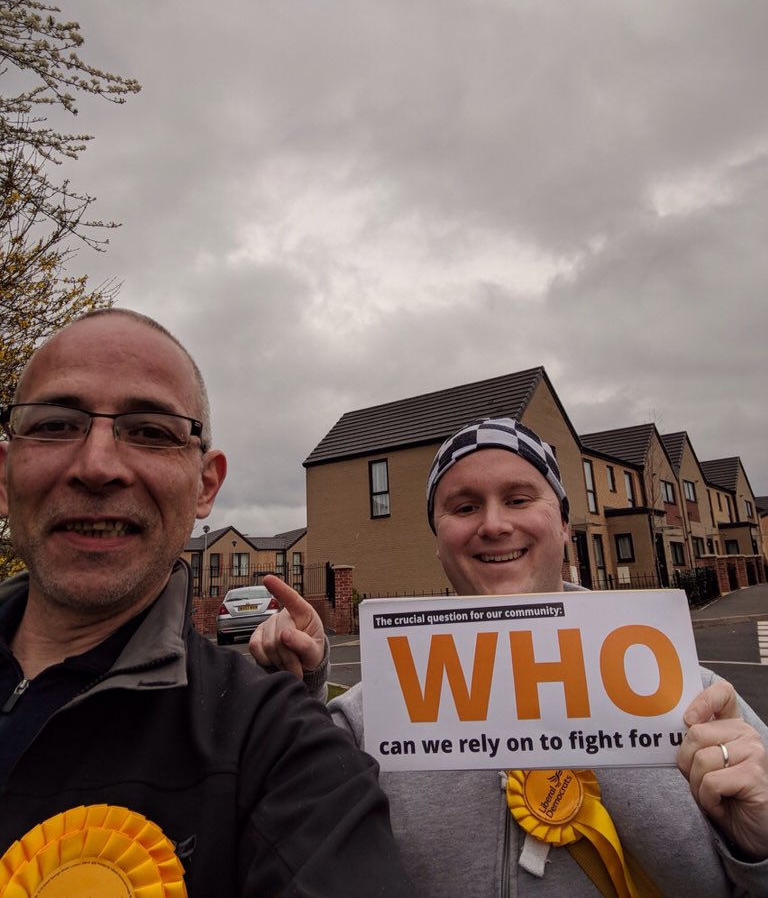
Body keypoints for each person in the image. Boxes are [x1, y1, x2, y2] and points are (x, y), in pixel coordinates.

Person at [252, 416, 768, 898]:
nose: (494, 525)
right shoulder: (374, 715)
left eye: (519, 499)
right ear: (438, 541)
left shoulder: (701, 704)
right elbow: (280, 841)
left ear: (565, 525)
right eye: (464, 507)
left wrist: (759, 846)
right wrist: (302, 688)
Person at [0, 309, 415, 897]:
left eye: (149, 431)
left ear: (206, 486)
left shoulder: (278, 748)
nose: (96, 466)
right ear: (4, 473)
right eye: (55, 424)